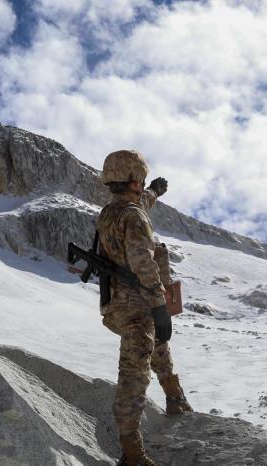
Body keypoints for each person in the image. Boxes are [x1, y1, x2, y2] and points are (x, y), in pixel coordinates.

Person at [97, 150, 192, 466]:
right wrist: (159, 304)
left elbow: (140, 204)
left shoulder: (111, 212)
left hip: (121, 303)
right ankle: (132, 454)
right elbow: (142, 261)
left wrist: (155, 192)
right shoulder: (134, 217)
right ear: (134, 179)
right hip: (138, 303)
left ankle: (175, 398)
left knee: (159, 348)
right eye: (142, 181)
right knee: (134, 375)